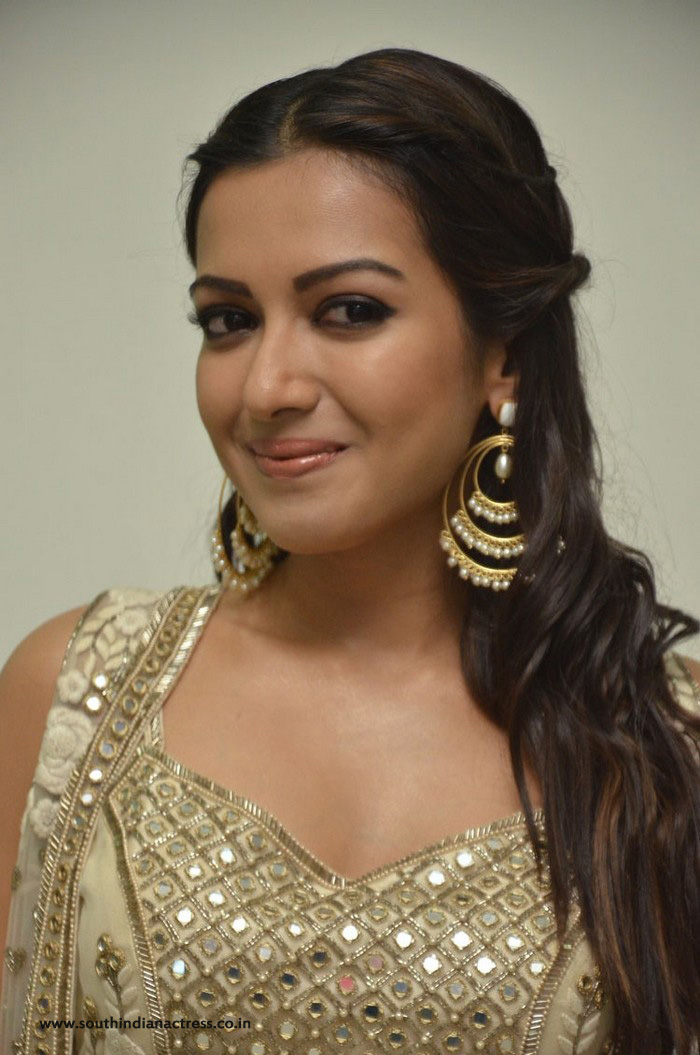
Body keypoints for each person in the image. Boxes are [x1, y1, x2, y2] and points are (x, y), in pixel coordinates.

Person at [1, 46, 698, 1055]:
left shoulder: (665, 740)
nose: (266, 386)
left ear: (504, 352)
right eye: (229, 320)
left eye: (350, 311)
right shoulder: (76, 696)